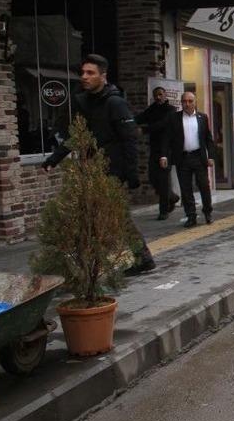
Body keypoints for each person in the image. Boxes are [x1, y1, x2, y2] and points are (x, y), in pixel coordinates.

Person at [42, 54, 155, 276]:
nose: (84, 77)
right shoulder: (83, 102)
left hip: (112, 170)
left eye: (90, 73)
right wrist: (54, 158)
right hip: (91, 169)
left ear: (103, 76)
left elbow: (129, 139)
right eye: (82, 73)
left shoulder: (115, 103)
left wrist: (132, 174)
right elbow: (77, 135)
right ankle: (87, 267)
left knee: (115, 216)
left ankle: (140, 258)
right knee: (93, 216)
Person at [159, 92, 215, 228]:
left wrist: (211, 156)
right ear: (181, 103)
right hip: (182, 158)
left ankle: (208, 212)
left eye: (190, 101)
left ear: (195, 102)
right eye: (184, 101)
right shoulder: (174, 118)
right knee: (186, 189)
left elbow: (208, 139)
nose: (187, 104)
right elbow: (166, 138)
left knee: (204, 186)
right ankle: (191, 216)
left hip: (198, 157)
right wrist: (164, 155)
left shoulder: (202, 117)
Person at [135, 86, 180, 220]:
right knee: (153, 178)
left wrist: (144, 130)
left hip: (166, 150)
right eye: (156, 95)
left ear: (165, 95)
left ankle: (163, 210)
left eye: (160, 94)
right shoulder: (152, 109)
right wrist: (128, 121)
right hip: (154, 149)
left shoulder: (171, 110)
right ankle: (172, 197)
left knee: (163, 180)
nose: (158, 97)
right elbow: (140, 117)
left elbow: (163, 124)